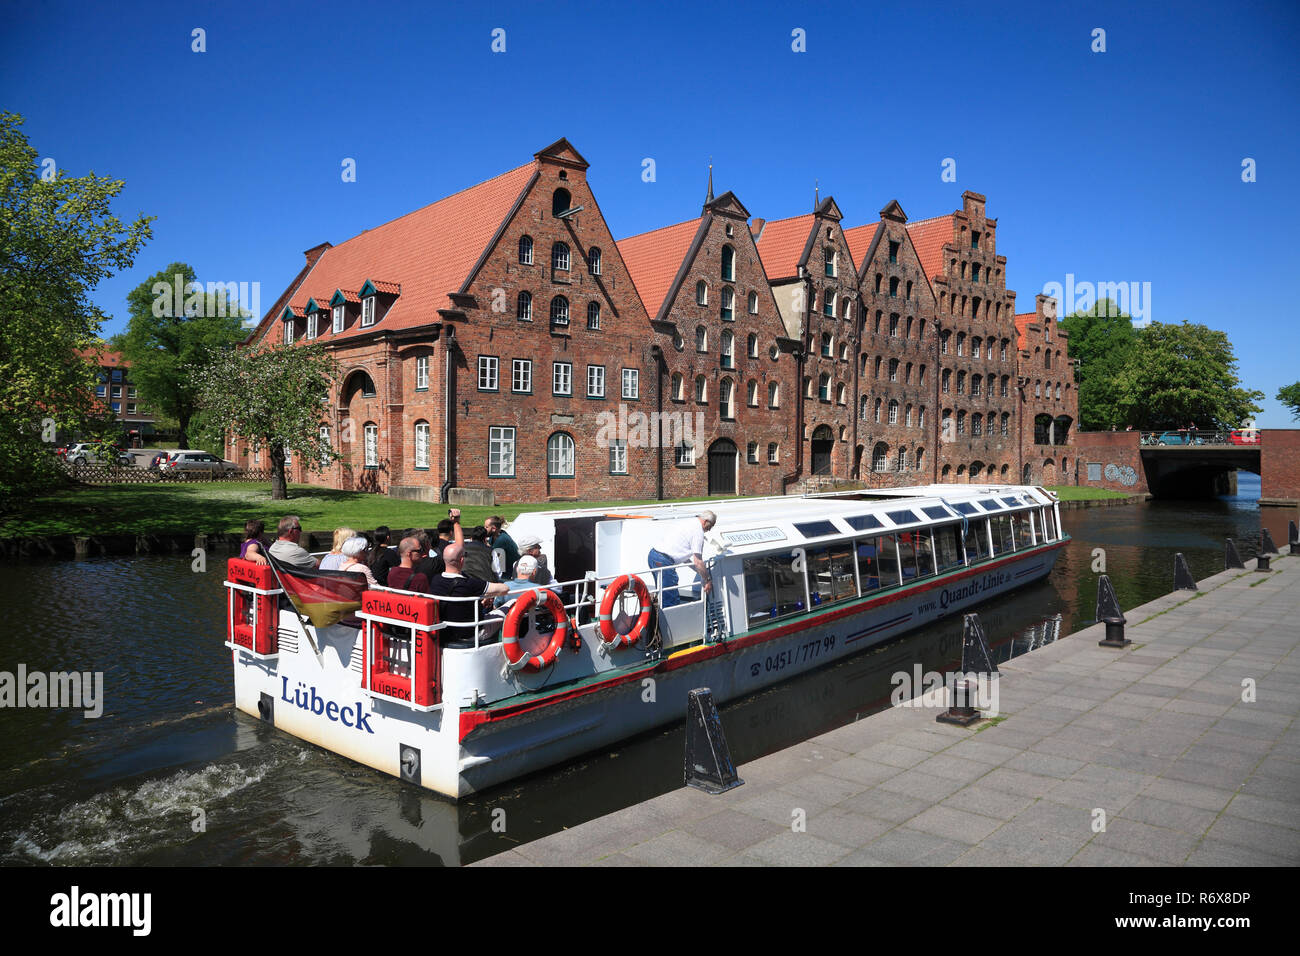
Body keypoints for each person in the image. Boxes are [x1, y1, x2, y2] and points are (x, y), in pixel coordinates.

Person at [428, 542, 509, 645]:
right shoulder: (469, 584)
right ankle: (512, 645)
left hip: (446, 631)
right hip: (471, 634)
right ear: (462, 560)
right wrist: (487, 594)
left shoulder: (435, 580)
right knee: (512, 604)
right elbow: (504, 589)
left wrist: (482, 599)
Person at [647, 511, 716, 607]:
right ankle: (670, 620)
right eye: (710, 526)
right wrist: (707, 579)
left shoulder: (689, 522)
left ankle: (659, 615)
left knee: (663, 593)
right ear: (705, 521)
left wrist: (699, 572)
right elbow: (698, 561)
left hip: (653, 556)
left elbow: (683, 556)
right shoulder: (698, 531)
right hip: (664, 560)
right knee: (670, 599)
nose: (709, 530)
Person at [414, 509, 463, 580]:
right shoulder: (448, 549)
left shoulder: (411, 564)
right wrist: (456, 522)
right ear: (451, 533)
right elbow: (459, 546)